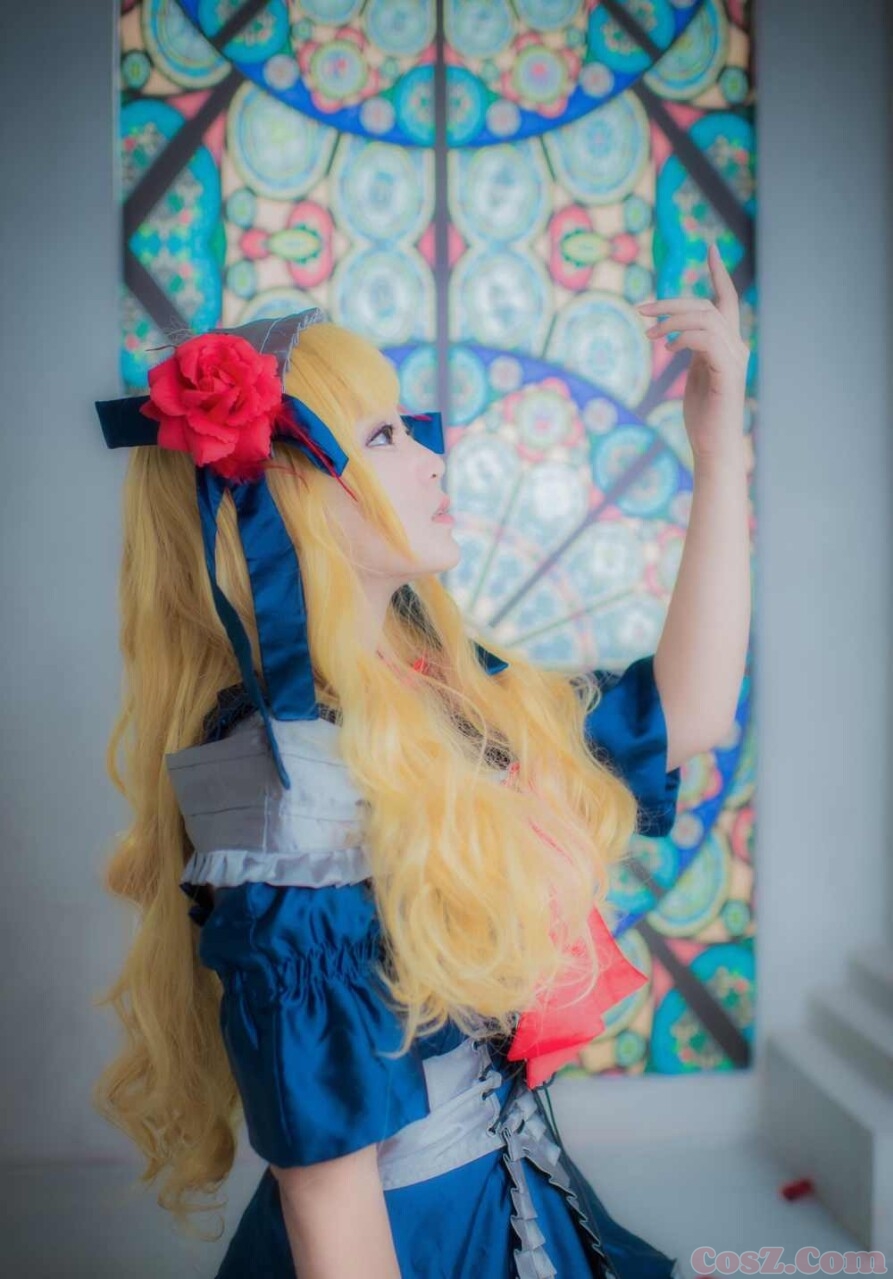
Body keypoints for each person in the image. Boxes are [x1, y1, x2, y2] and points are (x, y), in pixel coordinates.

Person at [93, 267, 750, 1277]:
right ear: (287, 498)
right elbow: (328, 1185)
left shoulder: (442, 694)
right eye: (385, 436)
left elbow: (686, 713)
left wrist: (718, 448)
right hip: (413, 1241)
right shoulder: (285, 782)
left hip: (517, 1199)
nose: (434, 456)